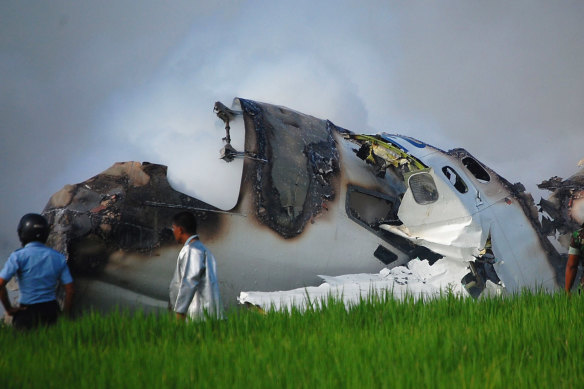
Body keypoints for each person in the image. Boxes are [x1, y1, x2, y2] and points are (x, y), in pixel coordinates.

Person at [0, 213, 74, 329]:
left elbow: (1, 284)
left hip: (26, 312)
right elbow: (70, 290)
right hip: (51, 311)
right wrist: (65, 314)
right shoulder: (58, 257)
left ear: (22, 233)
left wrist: (9, 309)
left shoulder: (18, 257)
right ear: (46, 233)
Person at [169, 211, 223, 321]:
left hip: (198, 316)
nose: (173, 232)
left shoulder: (192, 250)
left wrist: (180, 312)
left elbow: (189, 281)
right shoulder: (203, 250)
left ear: (180, 230)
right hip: (206, 314)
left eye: (173, 228)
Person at [565, 223, 584, 294]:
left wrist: (567, 291)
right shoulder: (578, 236)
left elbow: (572, 266)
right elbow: (572, 266)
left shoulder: (578, 235)